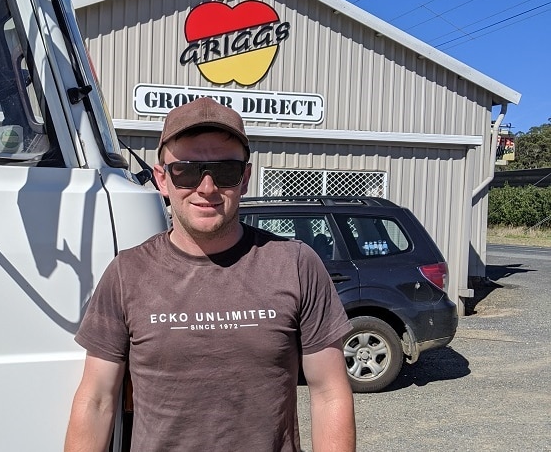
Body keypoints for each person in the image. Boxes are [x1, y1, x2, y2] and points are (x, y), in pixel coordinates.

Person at [64, 97, 355, 451]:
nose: (206, 188)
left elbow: (329, 393)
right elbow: (95, 400)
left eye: (225, 171)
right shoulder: (126, 273)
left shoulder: (295, 264)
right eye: (186, 170)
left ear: (245, 178)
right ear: (162, 179)